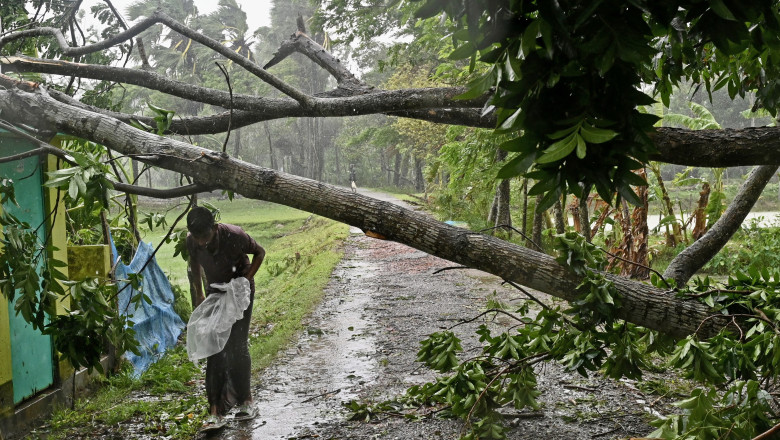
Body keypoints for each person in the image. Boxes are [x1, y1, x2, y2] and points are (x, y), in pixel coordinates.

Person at [186, 206, 265, 429]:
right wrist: (199, 293)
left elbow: (260, 252)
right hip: (215, 291)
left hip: (239, 292)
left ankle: (247, 401)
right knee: (215, 348)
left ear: (214, 227)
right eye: (197, 237)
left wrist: (245, 279)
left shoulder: (235, 235)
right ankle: (215, 411)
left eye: (205, 237)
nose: (202, 242)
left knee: (237, 346)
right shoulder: (192, 240)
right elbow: (194, 263)